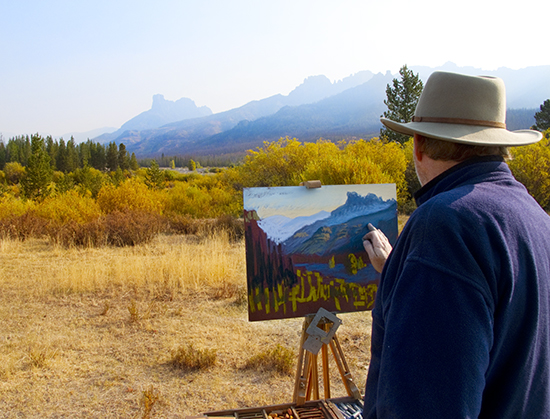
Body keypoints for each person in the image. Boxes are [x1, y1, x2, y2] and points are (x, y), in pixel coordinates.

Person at [362, 71, 550, 418]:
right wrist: (400, 272)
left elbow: (424, 404)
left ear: (418, 145)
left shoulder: (443, 225)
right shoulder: (537, 218)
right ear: (500, 146)